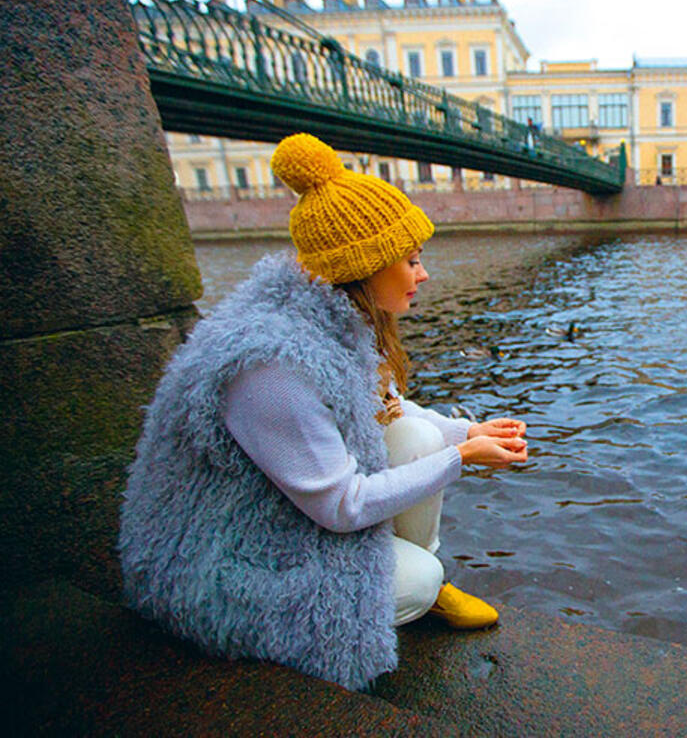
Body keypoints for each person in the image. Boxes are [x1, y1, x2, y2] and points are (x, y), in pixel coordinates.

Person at [118, 132, 528, 691]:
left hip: (277, 513)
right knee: (417, 577)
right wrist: (463, 456)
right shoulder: (272, 367)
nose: (423, 274)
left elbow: (387, 406)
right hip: (222, 562)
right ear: (364, 266)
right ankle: (416, 587)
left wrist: (464, 430)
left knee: (413, 435)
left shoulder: (324, 321)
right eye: (410, 260)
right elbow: (341, 504)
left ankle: (419, 580)